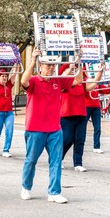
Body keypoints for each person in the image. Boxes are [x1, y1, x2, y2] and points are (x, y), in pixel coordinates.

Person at [20, 49, 75, 204]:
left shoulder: (57, 80)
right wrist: (32, 60)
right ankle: (26, 187)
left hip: (54, 128)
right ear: (40, 65)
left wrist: (78, 58)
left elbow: (76, 81)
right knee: (31, 160)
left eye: (53, 65)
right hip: (35, 128)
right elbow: (24, 81)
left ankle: (54, 192)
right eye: (47, 65)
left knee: (56, 161)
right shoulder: (35, 80)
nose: (51, 68)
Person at [60, 64, 103, 172]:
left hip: (81, 114)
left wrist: (100, 72)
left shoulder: (81, 83)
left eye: (75, 68)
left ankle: (78, 163)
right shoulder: (63, 83)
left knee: (80, 140)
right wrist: (74, 64)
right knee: (67, 139)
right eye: (71, 69)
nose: (74, 70)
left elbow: (92, 85)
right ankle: (58, 158)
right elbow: (70, 77)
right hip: (67, 115)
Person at [0, 63, 19, 157]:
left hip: (9, 112)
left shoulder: (9, 85)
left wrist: (17, 64)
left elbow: (15, 74)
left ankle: (6, 150)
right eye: (3, 76)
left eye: (6, 76)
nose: (5, 78)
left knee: (9, 131)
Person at [85, 86, 105, 154]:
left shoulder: (97, 82)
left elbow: (105, 90)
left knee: (97, 128)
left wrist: (109, 84)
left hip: (96, 106)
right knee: (82, 128)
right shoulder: (85, 81)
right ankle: (79, 145)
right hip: (86, 105)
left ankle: (96, 147)